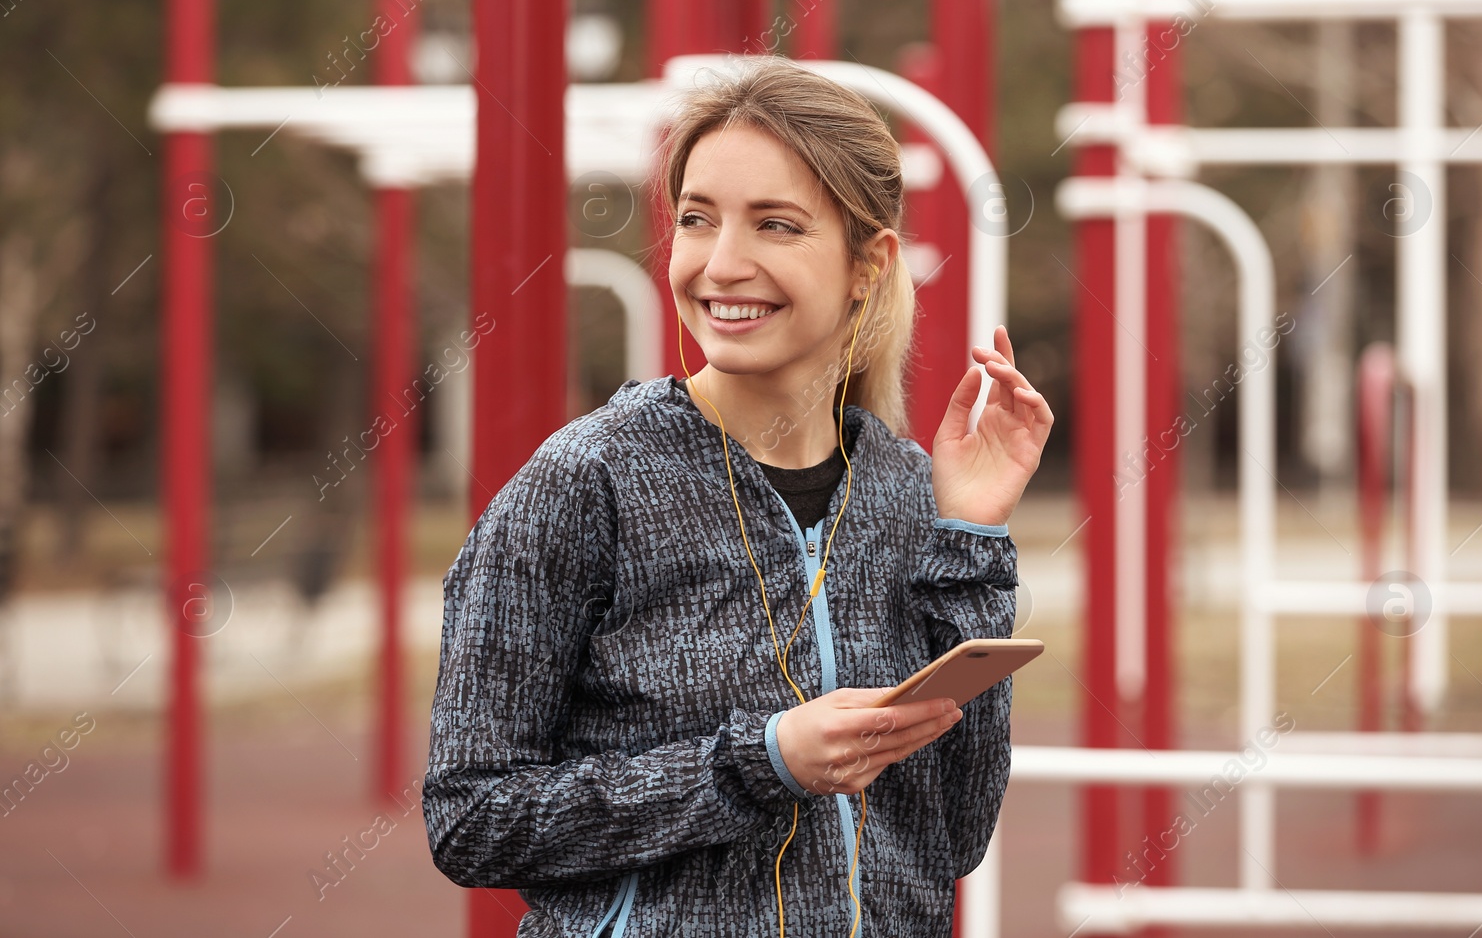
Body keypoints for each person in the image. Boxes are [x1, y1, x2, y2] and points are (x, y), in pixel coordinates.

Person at [423, 55, 1053, 937]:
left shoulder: (910, 490)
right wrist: (758, 764)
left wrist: (970, 535)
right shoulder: (585, 479)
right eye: (696, 220)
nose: (721, 264)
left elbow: (954, 832)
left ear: (867, 265)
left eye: (776, 225)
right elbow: (471, 819)